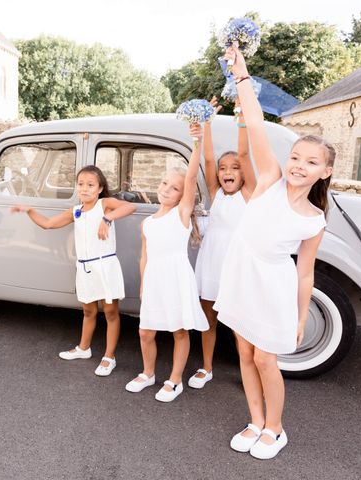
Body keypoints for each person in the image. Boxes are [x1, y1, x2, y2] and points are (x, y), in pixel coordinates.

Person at [214, 46, 334, 459]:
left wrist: (301, 316)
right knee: (244, 352)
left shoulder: (314, 219)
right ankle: (255, 420)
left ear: (325, 170)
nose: (299, 164)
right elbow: (254, 121)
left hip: (274, 286)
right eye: (296, 156)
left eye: (311, 161)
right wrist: (241, 72)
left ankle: (275, 428)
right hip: (241, 277)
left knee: (267, 357)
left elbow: (305, 273)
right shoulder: (269, 177)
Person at [11, 165, 136, 376]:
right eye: (81, 184)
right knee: (88, 311)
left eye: (90, 185)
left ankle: (109, 357)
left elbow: (128, 207)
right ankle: (84, 348)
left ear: (99, 188)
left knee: (111, 313)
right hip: (85, 267)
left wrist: (107, 218)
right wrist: (30, 211)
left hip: (104, 265)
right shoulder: (76, 211)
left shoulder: (104, 204)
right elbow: (49, 224)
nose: (85, 189)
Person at [125, 124, 209, 402]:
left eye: (175, 188)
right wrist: (143, 284)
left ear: (182, 195)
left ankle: (175, 380)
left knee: (178, 330)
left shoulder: (181, 214)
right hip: (155, 279)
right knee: (145, 331)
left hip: (176, 276)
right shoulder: (148, 222)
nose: (167, 189)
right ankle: (148, 373)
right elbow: (144, 255)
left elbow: (193, 174)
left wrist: (197, 140)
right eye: (164, 184)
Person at [189, 96, 256, 389]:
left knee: (242, 323)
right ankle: (206, 367)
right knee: (209, 318)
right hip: (211, 262)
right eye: (223, 168)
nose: (227, 172)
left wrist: (241, 114)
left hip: (237, 266)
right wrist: (206, 123)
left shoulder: (249, 194)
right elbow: (207, 158)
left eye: (234, 168)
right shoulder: (215, 193)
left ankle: (249, 371)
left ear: (243, 172)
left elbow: (244, 151)